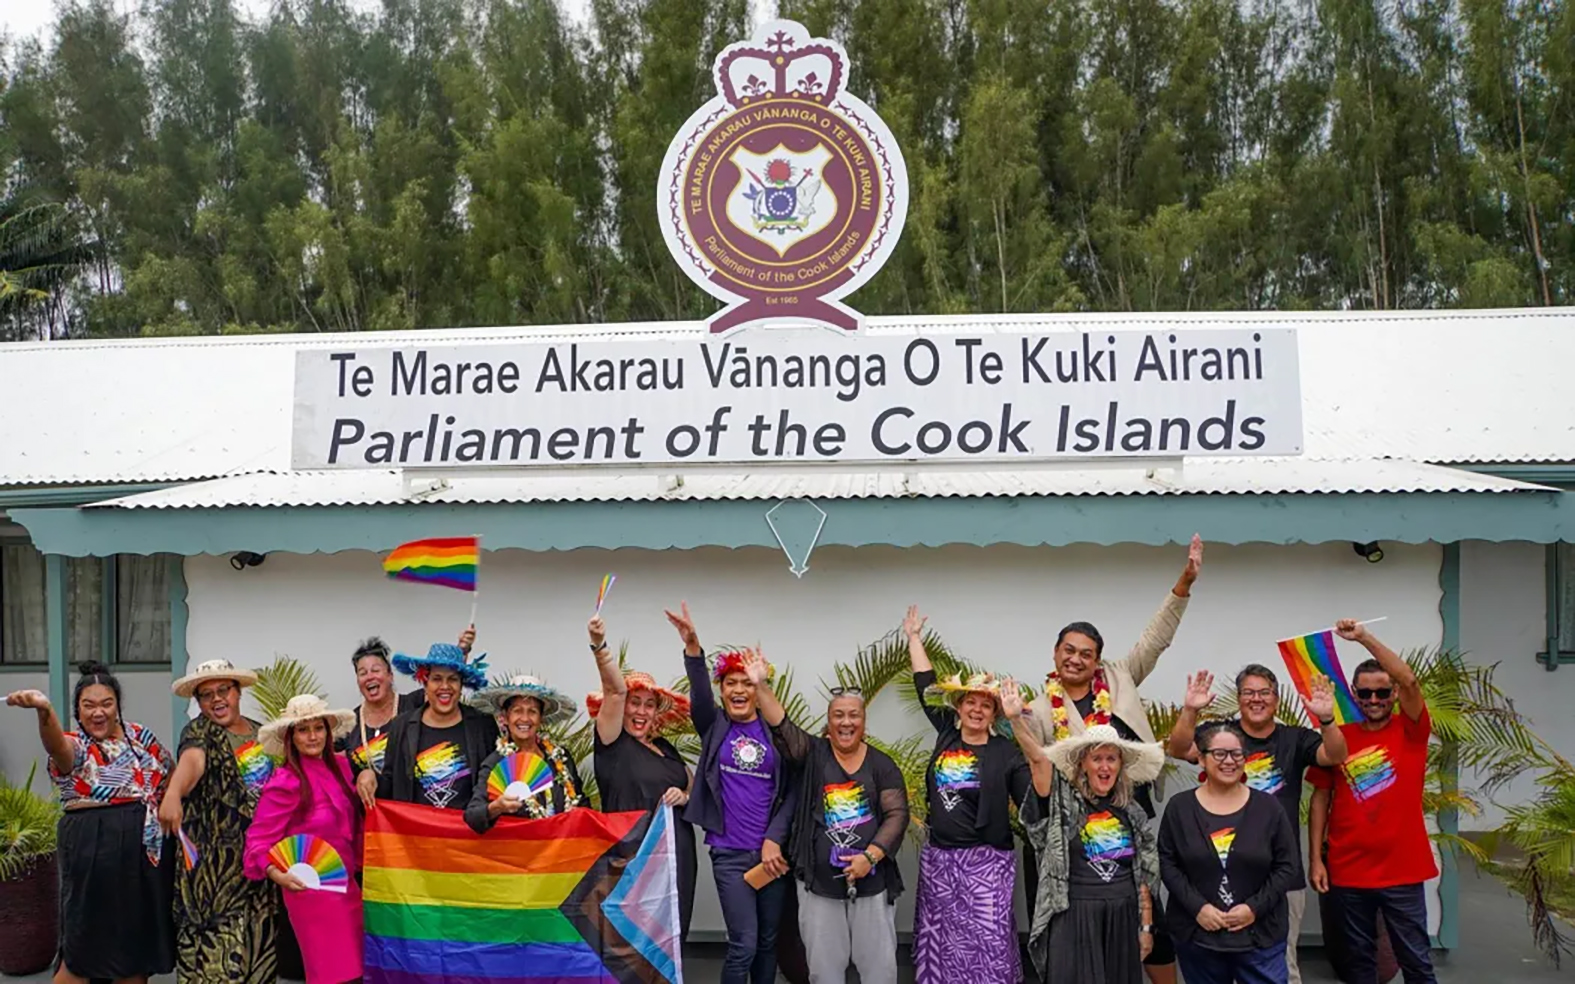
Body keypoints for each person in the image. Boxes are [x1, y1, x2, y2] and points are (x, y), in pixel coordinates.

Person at [1021, 534, 1204, 983]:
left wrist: (1184, 581)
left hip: (1129, 816)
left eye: (1086, 654)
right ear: (1055, 654)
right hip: (1076, 836)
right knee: (1080, 938)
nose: (1076, 659)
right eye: (1069, 651)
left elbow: (1155, 637)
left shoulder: (1121, 677)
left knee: (1148, 919)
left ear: (1099, 660)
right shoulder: (1039, 708)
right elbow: (1039, 768)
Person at [1166, 666, 1349, 984]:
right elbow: (1179, 748)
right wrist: (1191, 709)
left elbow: (1334, 755)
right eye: (1248, 692)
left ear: (1276, 699)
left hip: (1278, 877)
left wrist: (1327, 720)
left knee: (1282, 964)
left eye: (1265, 692)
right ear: (1238, 699)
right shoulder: (1221, 736)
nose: (1257, 699)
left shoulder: (1294, 738)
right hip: (1214, 878)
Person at [5, 664, 176, 984]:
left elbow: (171, 771)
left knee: (134, 945)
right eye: (89, 705)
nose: (99, 712)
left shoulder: (140, 736)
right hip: (93, 847)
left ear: (118, 706)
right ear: (77, 711)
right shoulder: (77, 744)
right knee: (84, 943)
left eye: (106, 703)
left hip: (144, 851)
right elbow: (58, 748)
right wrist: (44, 711)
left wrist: (173, 799)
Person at [746, 649, 909, 984]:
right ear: (829, 720)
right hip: (819, 888)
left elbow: (897, 814)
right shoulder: (813, 755)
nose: (846, 722)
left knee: (879, 972)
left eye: (853, 715)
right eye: (838, 715)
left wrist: (870, 856)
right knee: (824, 973)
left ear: (863, 721)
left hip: (872, 886)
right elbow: (782, 726)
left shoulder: (882, 765)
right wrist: (760, 685)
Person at [905, 605, 1039, 984]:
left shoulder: (1006, 753)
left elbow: (1033, 796)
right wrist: (914, 638)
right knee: (943, 943)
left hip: (987, 863)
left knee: (989, 943)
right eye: (970, 703)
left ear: (994, 714)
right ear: (958, 709)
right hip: (940, 860)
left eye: (986, 705)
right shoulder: (947, 733)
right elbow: (923, 685)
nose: (977, 709)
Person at [666, 601, 797, 984]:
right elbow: (699, 693)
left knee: (769, 942)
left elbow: (790, 792)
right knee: (745, 942)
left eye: (746, 683)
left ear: (758, 691)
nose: (738, 690)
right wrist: (693, 647)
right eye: (730, 683)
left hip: (773, 856)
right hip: (730, 855)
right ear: (723, 691)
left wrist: (775, 839)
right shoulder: (715, 726)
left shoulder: (776, 734)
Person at [1307, 619, 1439, 984]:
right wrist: (1316, 859)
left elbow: (1411, 680)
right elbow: (1321, 797)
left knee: (1416, 961)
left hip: (1403, 869)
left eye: (1382, 693)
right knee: (1358, 965)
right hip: (1348, 870)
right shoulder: (1338, 736)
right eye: (1365, 694)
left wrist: (1363, 638)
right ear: (1354, 694)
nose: (1374, 701)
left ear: (1394, 694)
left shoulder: (1411, 729)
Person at [158, 659, 278, 984]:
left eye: (223, 690)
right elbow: (192, 761)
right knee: (217, 967)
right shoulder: (199, 731)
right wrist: (173, 793)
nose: (216, 700)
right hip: (215, 879)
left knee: (259, 962)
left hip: (259, 870)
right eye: (206, 695)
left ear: (238, 692)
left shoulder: (261, 733)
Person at [1159, 722, 1300, 984]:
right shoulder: (1180, 808)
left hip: (1260, 936)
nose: (1229, 761)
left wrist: (1253, 908)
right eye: (1219, 753)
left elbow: (1286, 866)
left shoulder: (1269, 807)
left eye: (1236, 754)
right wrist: (1198, 907)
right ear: (1201, 758)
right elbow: (1168, 863)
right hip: (1198, 934)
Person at [585, 614, 698, 939]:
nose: (640, 711)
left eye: (649, 705)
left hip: (677, 860)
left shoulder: (665, 747)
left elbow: (689, 787)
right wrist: (599, 646)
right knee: (629, 945)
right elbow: (614, 691)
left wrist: (685, 796)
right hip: (631, 862)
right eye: (635, 702)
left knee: (672, 942)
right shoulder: (612, 742)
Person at [1024, 723, 1164, 984]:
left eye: (1111, 759)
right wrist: (1016, 719)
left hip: (1122, 918)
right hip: (1074, 917)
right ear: (1082, 765)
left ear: (1120, 765)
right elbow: (1037, 760)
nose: (1104, 766)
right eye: (1096, 758)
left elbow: (1145, 873)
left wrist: (1145, 927)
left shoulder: (1132, 812)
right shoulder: (1062, 806)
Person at [243, 695, 363, 984]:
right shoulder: (286, 782)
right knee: (333, 974)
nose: (312, 736)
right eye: (303, 730)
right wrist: (277, 874)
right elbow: (257, 842)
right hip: (311, 891)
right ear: (290, 737)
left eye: (318, 728)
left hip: (350, 885)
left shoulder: (344, 768)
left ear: (328, 731)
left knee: (358, 972)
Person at [357, 639, 499, 809]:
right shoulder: (401, 727)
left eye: (452, 679)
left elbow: (497, 782)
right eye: (437, 679)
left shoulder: (483, 726)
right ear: (425, 683)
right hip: (416, 834)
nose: (445, 686)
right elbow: (390, 786)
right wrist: (369, 775)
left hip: (468, 834)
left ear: (461, 685)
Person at [464, 672, 587, 831]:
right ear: (505, 718)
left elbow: (581, 802)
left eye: (532, 711)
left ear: (541, 718)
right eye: (517, 710)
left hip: (562, 850)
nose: (525, 718)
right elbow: (473, 817)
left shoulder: (560, 758)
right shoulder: (495, 763)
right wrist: (496, 807)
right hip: (521, 852)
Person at [337, 636, 425, 774]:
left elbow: (441, 686)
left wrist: (462, 650)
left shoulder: (413, 705)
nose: (370, 676)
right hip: (364, 796)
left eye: (376, 670)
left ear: (390, 675)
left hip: (405, 795)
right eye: (362, 673)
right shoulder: (350, 722)